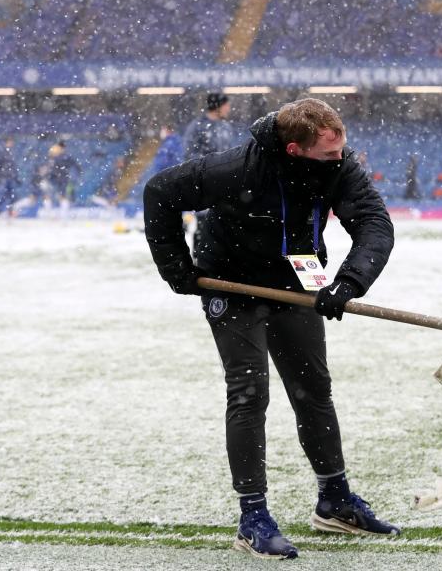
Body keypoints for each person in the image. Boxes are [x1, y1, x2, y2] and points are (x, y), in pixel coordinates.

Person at [144, 98, 398, 560]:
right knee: (249, 393)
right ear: (295, 149)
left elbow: (375, 224)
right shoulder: (235, 170)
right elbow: (160, 193)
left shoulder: (340, 165)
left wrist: (348, 282)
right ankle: (253, 518)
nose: (340, 160)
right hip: (232, 285)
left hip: (296, 284)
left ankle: (335, 501)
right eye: (328, 154)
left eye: (340, 151)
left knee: (313, 389)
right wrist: (177, 269)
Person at [183, 93, 236, 249]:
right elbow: (189, 153)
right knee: (203, 223)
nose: (229, 108)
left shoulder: (226, 127)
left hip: (224, 183)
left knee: (223, 225)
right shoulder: (197, 126)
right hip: (205, 182)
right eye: (227, 105)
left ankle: (219, 258)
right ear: (218, 106)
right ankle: (198, 258)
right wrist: (210, 166)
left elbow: (231, 153)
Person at [0, 138, 21, 217]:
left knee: (11, 195)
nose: (12, 144)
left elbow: (13, 167)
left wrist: (16, 177)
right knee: (2, 195)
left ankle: (9, 211)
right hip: (3, 178)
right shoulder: (2, 152)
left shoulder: (12, 153)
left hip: (10, 178)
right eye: (10, 142)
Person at [47, 141, 82, 210]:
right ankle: (57, 213)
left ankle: (64, 215)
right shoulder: (56, 157)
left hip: (63, 179)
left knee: (63, 196)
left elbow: (75, 166)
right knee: (56, 195)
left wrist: (74, 176)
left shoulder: (65, 157)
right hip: (57, 178)